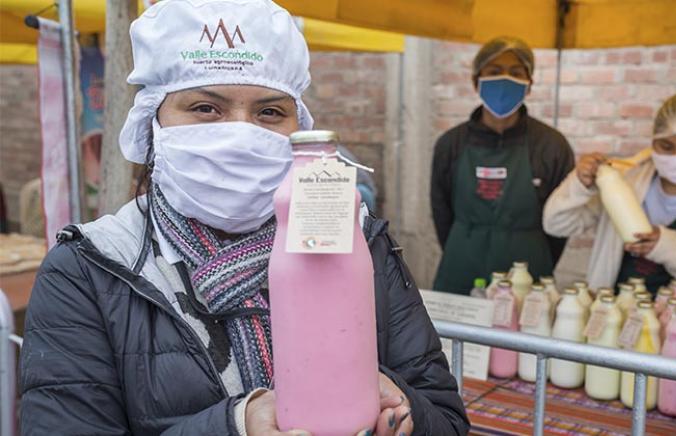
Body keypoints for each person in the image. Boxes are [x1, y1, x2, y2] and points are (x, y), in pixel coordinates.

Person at [19, 1, 469, 435]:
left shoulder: (357, 239)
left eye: (269, 112)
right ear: (152, 123)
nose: (241, 131)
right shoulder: (88, 268)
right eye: (205, 109)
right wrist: (233, 427)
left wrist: (402, 411)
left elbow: (445, 417)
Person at [543, 87, 676, 294]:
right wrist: (580, 185)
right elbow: (556, 224)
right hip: (615, 310)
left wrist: (669, 248)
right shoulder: (626, 180)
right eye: (665, 146)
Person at [430, 36, 575, 295]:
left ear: (529, 85)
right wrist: (462, 246)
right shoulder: (450, 145)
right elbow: (442, 214)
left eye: (516, 73)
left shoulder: (552, 146)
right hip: (461, 269)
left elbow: (559, 225)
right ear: (476, 82)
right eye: (494, 72)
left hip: (529, 277)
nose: (505, 79)